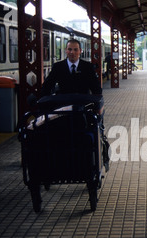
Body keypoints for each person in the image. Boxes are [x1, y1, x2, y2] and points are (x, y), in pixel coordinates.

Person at [40, 39, 109, 170]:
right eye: (70, 49)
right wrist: (45, 102)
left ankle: (88, 164)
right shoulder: (58, 67)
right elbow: (47, 87)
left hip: (82, 111)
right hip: (62, 110)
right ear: (66, 51)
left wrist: (96, 105)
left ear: (80, 51)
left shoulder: (87, 67)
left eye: (75, 50)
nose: (72, 52)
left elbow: (96, 90)